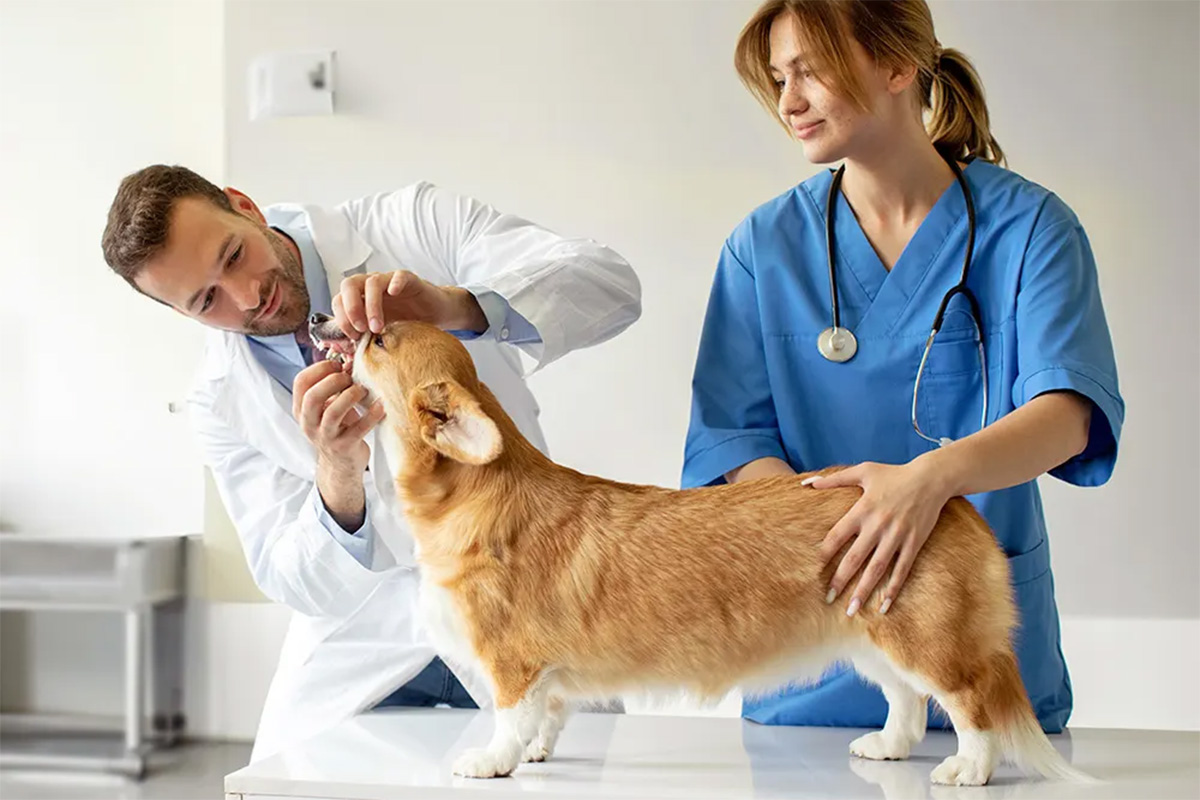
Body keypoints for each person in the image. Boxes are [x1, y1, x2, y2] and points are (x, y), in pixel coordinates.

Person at [682, 0, 1123, 733]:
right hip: (808, 661)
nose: (788, 102)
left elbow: (1069, 414)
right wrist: (851, 534)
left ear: (897, 66)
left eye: (810, 72)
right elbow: (733, 439)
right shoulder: (762, 247)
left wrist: (929, 483)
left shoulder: (1034, 231)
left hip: (973, 658)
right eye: (778, 79)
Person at [101, 166, 641, 761]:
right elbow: (289, 578)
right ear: (184, 315)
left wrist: (453, 307)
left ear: (245, 206)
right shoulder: (217, 397)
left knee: (577, 767)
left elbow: (611, 285)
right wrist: (336, 473)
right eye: (207, 300)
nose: (247, 295)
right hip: (365, 638)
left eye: (234, 255)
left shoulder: (413, 224)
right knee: (278, 781)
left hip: (515, 583)